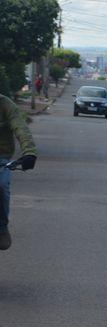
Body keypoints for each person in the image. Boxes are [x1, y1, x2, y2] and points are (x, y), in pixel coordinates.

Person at [0, 93, 38, 250]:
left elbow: (20, 127)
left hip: (1, 156)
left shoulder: (4, 103)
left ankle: (2, 228)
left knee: (2, 185)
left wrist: (29, 152)